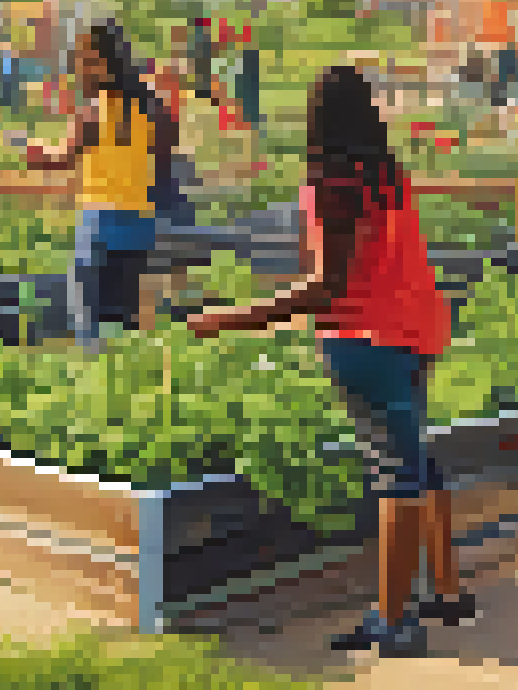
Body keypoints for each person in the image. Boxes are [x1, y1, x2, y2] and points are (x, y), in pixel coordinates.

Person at [189, 64, 467, 658]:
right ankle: (444, 591)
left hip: (365, 340)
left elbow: (327, 287)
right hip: (418, 331)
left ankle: (394, 621)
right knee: (416, 459)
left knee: (396, 476)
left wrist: (228, 318)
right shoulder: (389, 177)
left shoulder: (330, 184)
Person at [21, 22, 179, 349]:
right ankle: (124, 368)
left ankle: (93, 364)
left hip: (99, 225)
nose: (80, 70)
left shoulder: (93, 113)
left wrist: (33, 152)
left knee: (88, 315)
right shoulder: (152, 110)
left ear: (105, 65)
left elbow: (61, 159)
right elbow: (165, 156)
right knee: (124, 312)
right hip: (139, 223)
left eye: (86, 61)